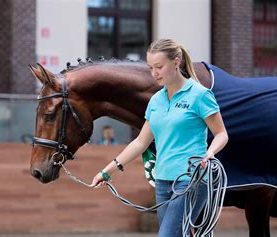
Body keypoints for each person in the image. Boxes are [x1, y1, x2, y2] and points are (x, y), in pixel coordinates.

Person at [90, 38, 229, 237]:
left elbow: (221, 134)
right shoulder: (156, 100)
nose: (154, 73)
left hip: (192, 178)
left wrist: (210, 152)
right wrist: (106, 171)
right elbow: (140, 142)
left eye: (159, 67)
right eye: (150, 68)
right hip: (162, 180)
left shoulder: (200, 95)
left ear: (176, 62)